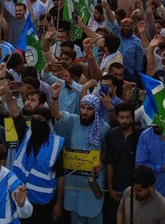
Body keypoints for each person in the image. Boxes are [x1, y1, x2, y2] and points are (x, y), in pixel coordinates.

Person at [50, 82, 109, 224]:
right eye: (83, 107)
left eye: (89, 109)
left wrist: (102, 161)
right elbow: (57, 115)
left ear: (95, 110)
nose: (85, 111)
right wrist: (55, 97)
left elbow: (108, 150)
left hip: (93, 182)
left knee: (94, 216)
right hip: (74, 181)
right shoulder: (74, 121)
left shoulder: (104, 127)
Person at [11, 106, 66, 224]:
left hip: (43, 202)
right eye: (33, 118)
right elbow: (15, 114)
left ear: (47, 121)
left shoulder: (56, 144)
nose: (35, 121)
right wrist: (7, 96)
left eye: (39, 118)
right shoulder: (25, 135)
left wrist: (58, 204)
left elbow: (60, 175)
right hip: (21, 197)